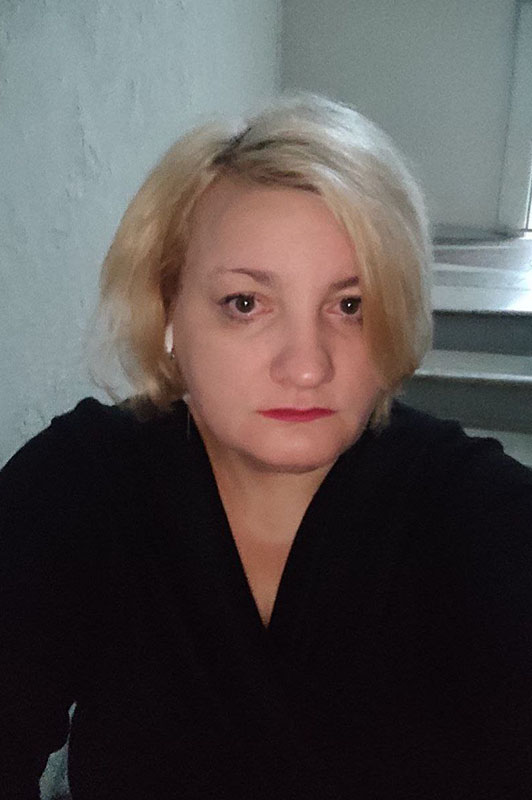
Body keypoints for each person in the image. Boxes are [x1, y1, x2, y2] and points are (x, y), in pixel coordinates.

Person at [1, 92, 531, 800]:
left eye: (350, 305)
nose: (306, 367)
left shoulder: (474, 512)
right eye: (245, 304)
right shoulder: (84, 484)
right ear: (167, 310)